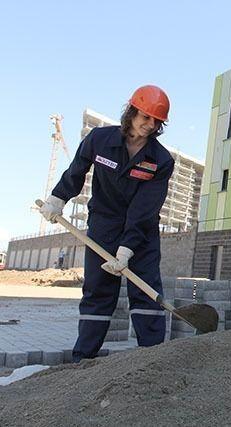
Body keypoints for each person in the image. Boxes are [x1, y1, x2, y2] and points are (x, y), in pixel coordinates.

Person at [39, 85, 174, 362]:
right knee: (98, 290)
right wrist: (57, 199)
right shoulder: (99, 140)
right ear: (132, 111)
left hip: (142, 233)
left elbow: (144, 209)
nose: (150, 125)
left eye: (156, 121)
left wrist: (127, 249)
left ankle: (152, 360)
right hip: (104, 226)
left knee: (146, 290)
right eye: (145, 117)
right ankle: (84, 358)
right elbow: (76, 171)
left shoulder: (160, 161)